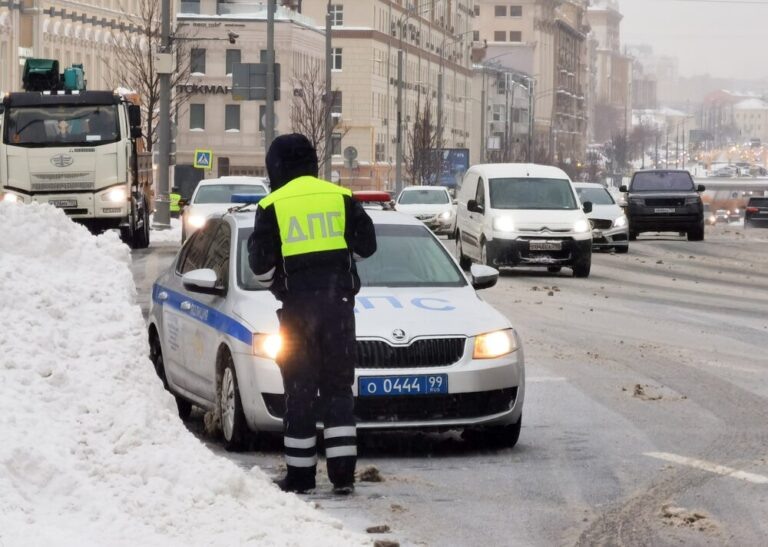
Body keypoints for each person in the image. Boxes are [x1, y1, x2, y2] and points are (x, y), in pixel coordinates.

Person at [248, 133, 376, 495]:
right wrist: (337, 266)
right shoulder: (341, 197)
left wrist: (282, 284)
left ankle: (301, 478)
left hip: (297, 314)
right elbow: (367, 246)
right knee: (338, 391)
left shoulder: (271, 205)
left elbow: (259, 266)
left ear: (276, 167)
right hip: (339, 310)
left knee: (299, 392)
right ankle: (343, 476)